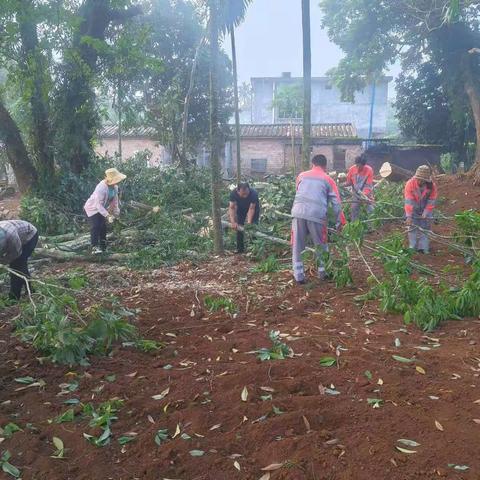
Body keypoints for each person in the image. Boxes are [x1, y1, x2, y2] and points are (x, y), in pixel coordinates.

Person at [291, 154, 346, 284]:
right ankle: (323, 272)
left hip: (298, 213)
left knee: (297, 245)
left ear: (313, 164)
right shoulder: (328, 179)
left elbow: (298, 192)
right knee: (321, 245)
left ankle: (298, 276)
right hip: (317, 215)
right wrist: (340, 222)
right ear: (325, 166)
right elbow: (337, 203)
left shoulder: (301, 176)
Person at [84, 168, 126, 255]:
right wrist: (107, 215)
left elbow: (115, 202)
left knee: (103, 227)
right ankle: (94, 247)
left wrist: (116, 213)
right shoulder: (101, 188)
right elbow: (98, 205)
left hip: (101, 209)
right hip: (92, 208)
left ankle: (103, 247)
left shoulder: (115, 188)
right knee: (95, 226)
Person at [0, 220, 39, 300]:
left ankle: (14, 297)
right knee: (21, 265)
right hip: (17, 233)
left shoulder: (11, 236)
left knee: (16, 266)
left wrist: (3, 261)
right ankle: (30, 288)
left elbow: (16, 253)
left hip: (30, 237)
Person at [404, 165, 437, 254]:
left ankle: (423, 248)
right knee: (412, 227)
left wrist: (426, 212)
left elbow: (431, 201)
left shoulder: (431, 186)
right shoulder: (410, 184)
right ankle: (412, 247)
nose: (419, 181)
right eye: (418, 179)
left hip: (426, 208)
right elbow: (409, 202)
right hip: (413, 209)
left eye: (422, 180)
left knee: (425, 228)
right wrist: (409, 216)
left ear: (426, 180)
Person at [228, 182, 260, 253]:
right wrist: (233, 222)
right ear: (238, 191)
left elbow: (251, 209)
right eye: (243, 194)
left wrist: (249, 224)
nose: (245, 196)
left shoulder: (254, 194)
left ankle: (254, 249)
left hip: (254, 209)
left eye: (246, 193)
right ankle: (240, 249)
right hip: (241, 208)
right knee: (239, 226)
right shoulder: (233, 194)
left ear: (249, 189)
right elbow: (232, 207)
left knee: (253, 226)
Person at [345, 155, 375, 221]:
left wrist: (364, 195)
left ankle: (372, 226)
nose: (358, 168)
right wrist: (343, 185)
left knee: (371, 209)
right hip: (356, 193)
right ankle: (354, 225)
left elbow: (368, 185)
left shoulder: (369, 170)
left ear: (364, 165)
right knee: (354, 209)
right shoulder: (352, 169)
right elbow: (349, 182)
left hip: (366, 194)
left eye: (360, 166)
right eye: (357, 166)